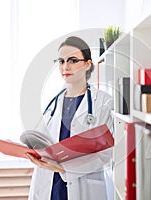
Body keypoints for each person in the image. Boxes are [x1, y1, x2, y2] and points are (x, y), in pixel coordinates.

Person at [25, 36, 114, 200]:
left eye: (72, 60)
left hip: (83, 186)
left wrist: (62, 167)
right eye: (61, 61)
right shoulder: (52, 103)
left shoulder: (103, 102)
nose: (65, 66)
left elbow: (106, 154)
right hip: (49, 185)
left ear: (88, 64)